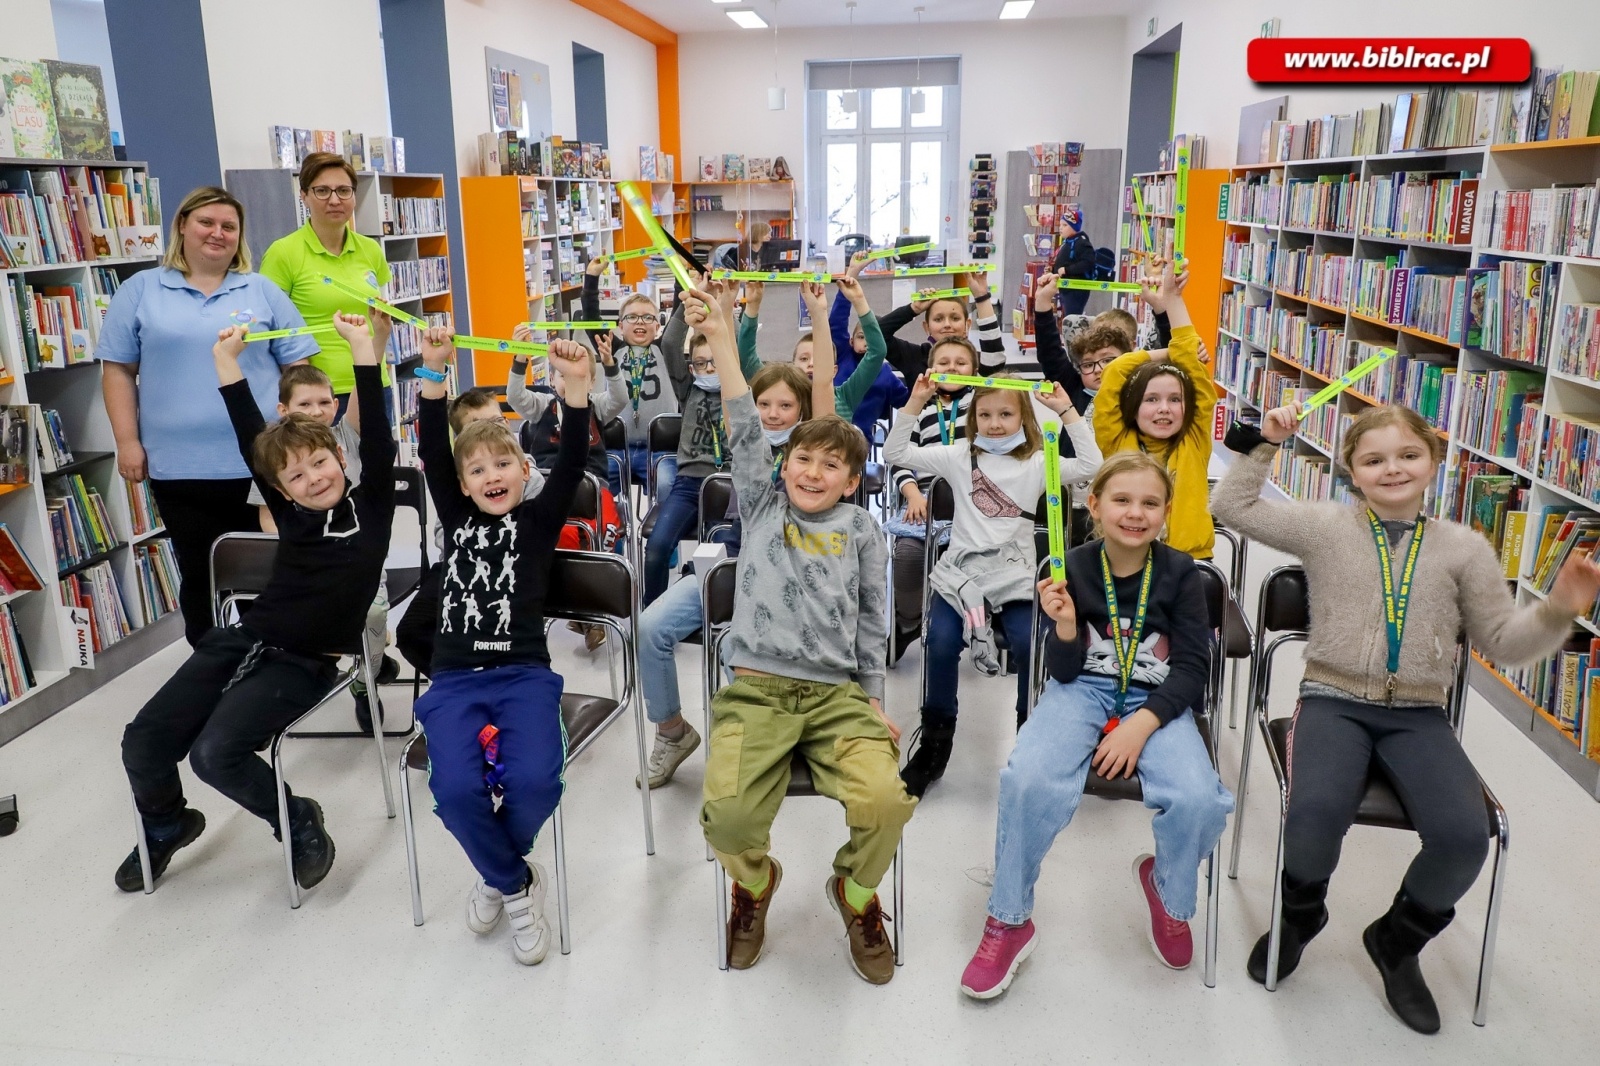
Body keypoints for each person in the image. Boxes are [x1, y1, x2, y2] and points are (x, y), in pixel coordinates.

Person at [1213, 402, 1600, 1034]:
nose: (1392, 468)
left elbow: (1503, 641)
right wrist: (1265, 446)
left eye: (1407, 455)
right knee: (1313, 812)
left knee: (1465, 837)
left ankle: (1397, 939)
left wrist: (1557, 611)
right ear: (1352, 472)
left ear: (1434, 461)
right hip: (1334, 700)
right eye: (1373, 459)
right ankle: (1302, 913)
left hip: (1418, 713)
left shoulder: (1465, 550)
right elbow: (1234, 510)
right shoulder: (1324, 527)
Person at [115, 312, 394, 893]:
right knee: (142, 741)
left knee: (216, 755)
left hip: (307, 661)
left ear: (341, 460)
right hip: (242, 641)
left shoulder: (373, 509)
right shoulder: (292, 515)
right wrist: (227, 364)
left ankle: (296, 819)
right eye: (295, 476)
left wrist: (363, 350)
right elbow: (252, 438)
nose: (313, 478)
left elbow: (382, 435)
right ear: (281, 490)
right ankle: (167, 822)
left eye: (320, 463)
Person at [687, 286, 915, 985]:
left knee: (884, 802)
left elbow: (876, 620)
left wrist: (873, 696)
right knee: (724, 821)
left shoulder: (862, 531)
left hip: (836, 696)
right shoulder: (761, 503)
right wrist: (722, 332)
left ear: (851, 482)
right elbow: (740, 413)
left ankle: (853, 892)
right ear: (783, 467)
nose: (812, 472)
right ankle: (754, 885)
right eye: (802, 461)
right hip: (756, 693)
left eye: (830, 466)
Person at [959, 452, 1232, 998]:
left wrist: (1141, 725)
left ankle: (1168, 893)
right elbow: (1058, 673)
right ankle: (1009, 919)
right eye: (1122, 500)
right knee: (1026, 780)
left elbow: (1194, 671)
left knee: (1199, 799)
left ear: (1166, 511)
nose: (1135, 513)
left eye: (1150, 503)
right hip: (1081, 689)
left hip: (1159, 700)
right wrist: (1064, 628)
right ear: (1095, 505)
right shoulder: (1072, 567)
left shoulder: (1181, 572)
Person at [412, 326, 595, 967]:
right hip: (456, 679)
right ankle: (518, 884)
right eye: (478, 469)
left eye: (504, 465)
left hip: (523, 675)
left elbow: (573, 457)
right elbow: (434, 449)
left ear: (525, 472)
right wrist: (434, 373)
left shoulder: (539, 520)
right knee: (456, 791)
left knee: (538, 782)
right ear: (462, 485)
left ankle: (495, 876)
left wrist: (575, 389)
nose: (491, 476)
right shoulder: (457, 513)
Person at [98, 185, 318, 647]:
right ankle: (210, 668)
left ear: (240, 237)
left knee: (268, 571)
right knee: (201, 575)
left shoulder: (262, 291)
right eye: (207, 223)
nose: (217, 234)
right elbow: (118, 369)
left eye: (229, 227)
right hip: (178, 466)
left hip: (263, 464)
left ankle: (273, 662)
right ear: (182, 225)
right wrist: (127, 442)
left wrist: (305, 438)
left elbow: (299, 368)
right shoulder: (141, 290)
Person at [885, 370, 1102, 797]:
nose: (995, 423)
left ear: (1024, 417)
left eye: (1006, 413)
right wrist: (916, 401)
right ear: (973, 418)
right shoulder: (958, 454)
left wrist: (1067, 411)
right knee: (941, 643)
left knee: (1027, 644)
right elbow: (895, 452)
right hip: (962, 575)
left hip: (1016, 576)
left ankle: (1029, 735)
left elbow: (1094, 466)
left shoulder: (1041, 461)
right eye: (985, 414)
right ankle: (935, 741)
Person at [634, 359, 814, 789]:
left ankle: (761, 742)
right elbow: (735, 389)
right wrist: (722, 319)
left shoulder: (812, 451)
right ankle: (672, 733)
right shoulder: (746, 440)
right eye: (764, 403)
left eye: (785, 405)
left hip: (783, 566)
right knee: (650, 626)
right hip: (730, 552)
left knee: (737, 644)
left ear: (803, 410)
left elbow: (822, 381)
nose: (773, 413)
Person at [250, 363, 395, 732]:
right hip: (313, 573)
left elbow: (369, 398)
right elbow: (270, 516)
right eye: (305, 404)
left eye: (324, 402)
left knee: (375, 615)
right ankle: (362, 660)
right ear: (283, 411)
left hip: (360, 561)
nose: (316, 411)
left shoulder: (345, 434)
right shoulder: (276, 454)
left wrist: (371, 343)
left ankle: (366, 680)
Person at [393, 390, 544, 685]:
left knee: (491, 633)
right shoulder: (460, 481)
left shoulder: (530, 479)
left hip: (510, 572)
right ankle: (465, 684)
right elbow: (442, 531)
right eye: (477, 427)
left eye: (498, 421)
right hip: (457, 567)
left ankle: (498, 684)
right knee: (412, 630)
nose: (492, 432)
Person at [1093, 261, 1217, 560]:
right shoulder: (1117, 442)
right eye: (1151, 400)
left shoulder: (1194, 440)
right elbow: (1115, 370)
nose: (1165, 409)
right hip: (1127, 559)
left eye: (1175, 399)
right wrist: (1168, 353)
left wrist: (1173, 299)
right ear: (1133, 408)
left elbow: (1193, 368)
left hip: (1192, 562)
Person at [258, 153, 394, 416]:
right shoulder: (283, 252)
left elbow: (380, 320)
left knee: (376, 458)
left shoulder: (371, 249)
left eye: (344, 191)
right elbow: (272, 330)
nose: (334, 200)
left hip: (372, 383)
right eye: (322, 191)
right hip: (316, 397)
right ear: (304, 195)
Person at [882, 336, 981, 661]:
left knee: (982, 563)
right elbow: (898, 459)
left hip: (974, 504)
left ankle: (981, 624)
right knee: (909, 556)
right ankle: (908, 621)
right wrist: (911, 494)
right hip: (924, 502)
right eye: (943, 363)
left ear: (975, 371)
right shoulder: (920, 410)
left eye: (961, 363)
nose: (952, 368)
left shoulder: (982, 404)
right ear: (930, 370)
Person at [641, 284, 731, 605]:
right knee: (656, 549)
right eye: (700, 363)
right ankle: (652, 613)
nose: (708, 368)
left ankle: (709, 606)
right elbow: (668, 342)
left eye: (714, 362)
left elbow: (739, 351)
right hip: (689, 485)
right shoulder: (688, 390)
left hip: (732, 485)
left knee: (720, 554)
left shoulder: (739, 389)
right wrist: (688, 301)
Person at [582, 256, 686, 495]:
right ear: (620, 325)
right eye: (632, 317)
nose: (640, 322)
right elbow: (591, 319)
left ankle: (658, 529)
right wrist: (591, 278)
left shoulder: (666, 350)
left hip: (660, 449)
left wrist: (676, 267)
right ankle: (612, 530)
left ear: (658, 326)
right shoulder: (614, 349)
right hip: (616, 447)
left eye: (648, 317)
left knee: (667, 485)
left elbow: (680, 311)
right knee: (597, 488)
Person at [737, 276, 892, 429]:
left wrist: (859, 301)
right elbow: (747, 357)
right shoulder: (775, 390)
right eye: (804, 359)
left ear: (833, 370)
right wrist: (752, 307)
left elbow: (877, 352)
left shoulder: (844, 396)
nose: (811, 364)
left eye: (818, 360)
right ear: (793, 366)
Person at [825, 253, 910, 440]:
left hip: (859, 441)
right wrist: (851, 275)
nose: (866, 343)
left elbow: (908, 403)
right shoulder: (842, 355)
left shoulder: (886, 374)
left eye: (872, 339)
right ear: (851, 340)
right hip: (828, 432)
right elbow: (836, 323)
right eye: (862, 337)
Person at [875, 269, 1007, 380]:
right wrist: (913, 309)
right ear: (927, 327)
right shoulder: (915, 357)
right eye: (938, 319)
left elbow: (995, 359)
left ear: (967, 324)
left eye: (955, 318)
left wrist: (982, 297)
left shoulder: (974, 360)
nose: (947, 325)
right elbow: (876, 336)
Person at [1051, 207, 1096, 316]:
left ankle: (1075, 333)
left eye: (1065, 225)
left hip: (1076, 289)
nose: (1061, 228)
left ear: (1074, 227)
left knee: (1073, 317)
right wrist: (1052, 270)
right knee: (1068, 316)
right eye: (1060, 225)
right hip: (1066, 288)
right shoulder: (1067, 242)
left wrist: (1067, 270)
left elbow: (1088, 263)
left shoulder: (1082, 243)